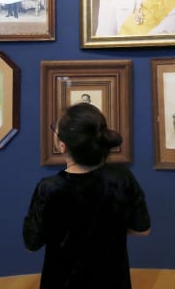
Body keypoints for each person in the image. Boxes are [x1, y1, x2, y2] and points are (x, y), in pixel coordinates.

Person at [23, 103, 150, 289]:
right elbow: (142, 230)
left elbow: (31, 243)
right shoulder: (122, 179)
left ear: (62, 146)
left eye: (55, 130)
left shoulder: (49, 189)